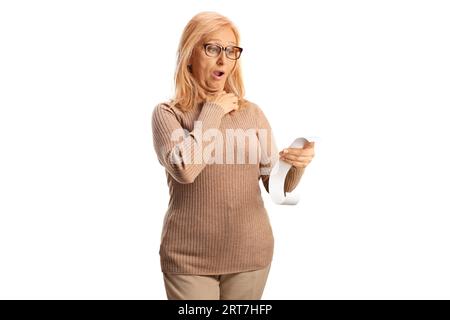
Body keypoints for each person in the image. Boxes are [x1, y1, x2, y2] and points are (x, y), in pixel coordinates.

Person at [151, 11, 315, 300]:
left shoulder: (251, 113)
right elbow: (185, 170)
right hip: (188, 260)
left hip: (250, 255)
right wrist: (213, 111)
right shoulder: (168, 113)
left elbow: (276, 186)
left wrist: (295, 164)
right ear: (190, 54)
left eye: (230, 50)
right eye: (212, 48)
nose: (223, 59)